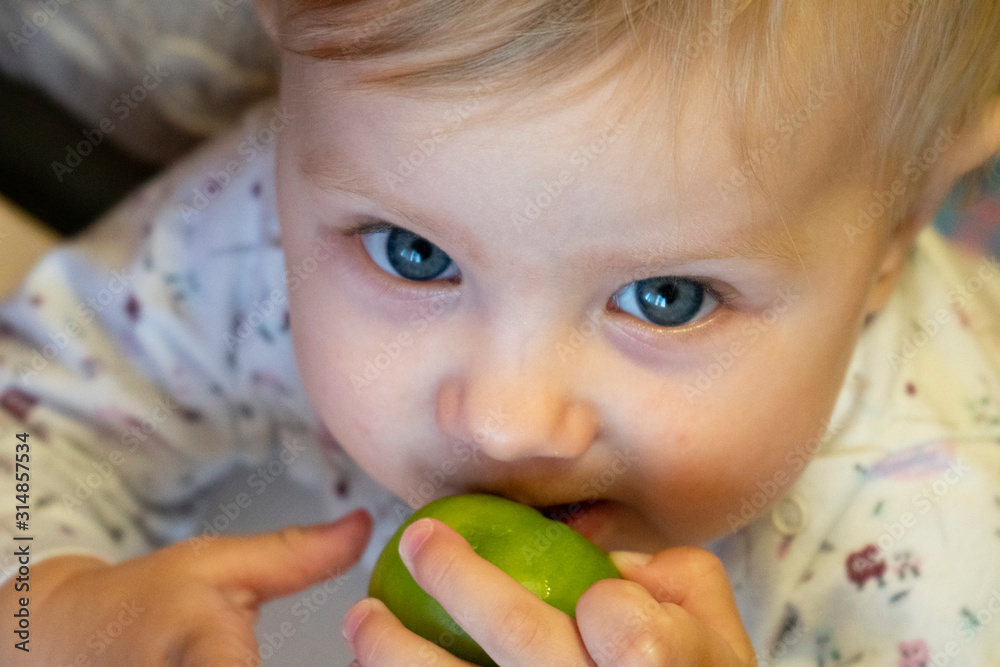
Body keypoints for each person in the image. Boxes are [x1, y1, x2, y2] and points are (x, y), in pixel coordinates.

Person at [2, 1, 999, 664]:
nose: (506, 418)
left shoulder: (936, 560)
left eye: (666, 298)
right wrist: (37, 607)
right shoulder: (313, 186)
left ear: (895, 234)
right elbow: (40, 399)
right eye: (413, 255)